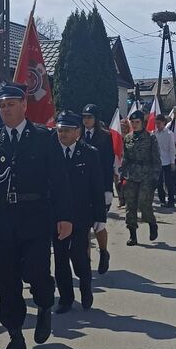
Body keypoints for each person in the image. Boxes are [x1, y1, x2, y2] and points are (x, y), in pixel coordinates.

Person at [0, 82, 72, 349]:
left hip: (35, 216)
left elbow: (60, 180)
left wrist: (64, 216)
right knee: (7, 280)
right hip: (3, 218)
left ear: (23, 105)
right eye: (2, 105)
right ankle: (15, 335)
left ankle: (44, 303)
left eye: (10, 104)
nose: (5, 109)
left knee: (36, 272)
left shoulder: (44, 138)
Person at [53, 110, 106, 314]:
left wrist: (100, 217)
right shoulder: (51, 152)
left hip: (81, 215)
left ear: (77, 132)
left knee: (79, 256)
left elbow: (96, 187)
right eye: (60, 130)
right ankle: (66, 298)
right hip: (56, 215)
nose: (62, 134)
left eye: (67, 130)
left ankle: (85, 286)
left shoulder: (89, 153)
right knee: (60, 258)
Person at [81, 103, 115, 274]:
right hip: (83, 188)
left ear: (96, 119)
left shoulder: (104, 137)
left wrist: (108, 189)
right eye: (84, 117)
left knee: (98, 225)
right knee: (84, 226)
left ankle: (103, 252)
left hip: (100, 187)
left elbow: (108, 164)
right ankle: (85, 264)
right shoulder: (78, 135)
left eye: (89, 117)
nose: (86, 120)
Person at [121, 109, 160, 245]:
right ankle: (133, 235)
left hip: (146, 175)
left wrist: (156, 177)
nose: (134, 124)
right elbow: (125, 158)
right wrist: (122, 174)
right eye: (132, 122)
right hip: (131, 175)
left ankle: (152, 224)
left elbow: (156, 159)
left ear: (142, 123)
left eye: (137, 122)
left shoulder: (151, 138)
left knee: (144, 204)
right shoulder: (128, 138)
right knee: (130, 206)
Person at [152, 113, 176, 208]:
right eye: (156, 123)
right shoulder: (153, 134)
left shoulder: (169, 134)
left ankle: (171, 200)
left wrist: (172, 162)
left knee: (169, 182)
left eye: (159, 123)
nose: (158, 125)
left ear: (163, 122)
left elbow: (172, 149)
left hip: (167, 161)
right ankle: (162, 200)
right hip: (157, 162)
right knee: (159, 182)